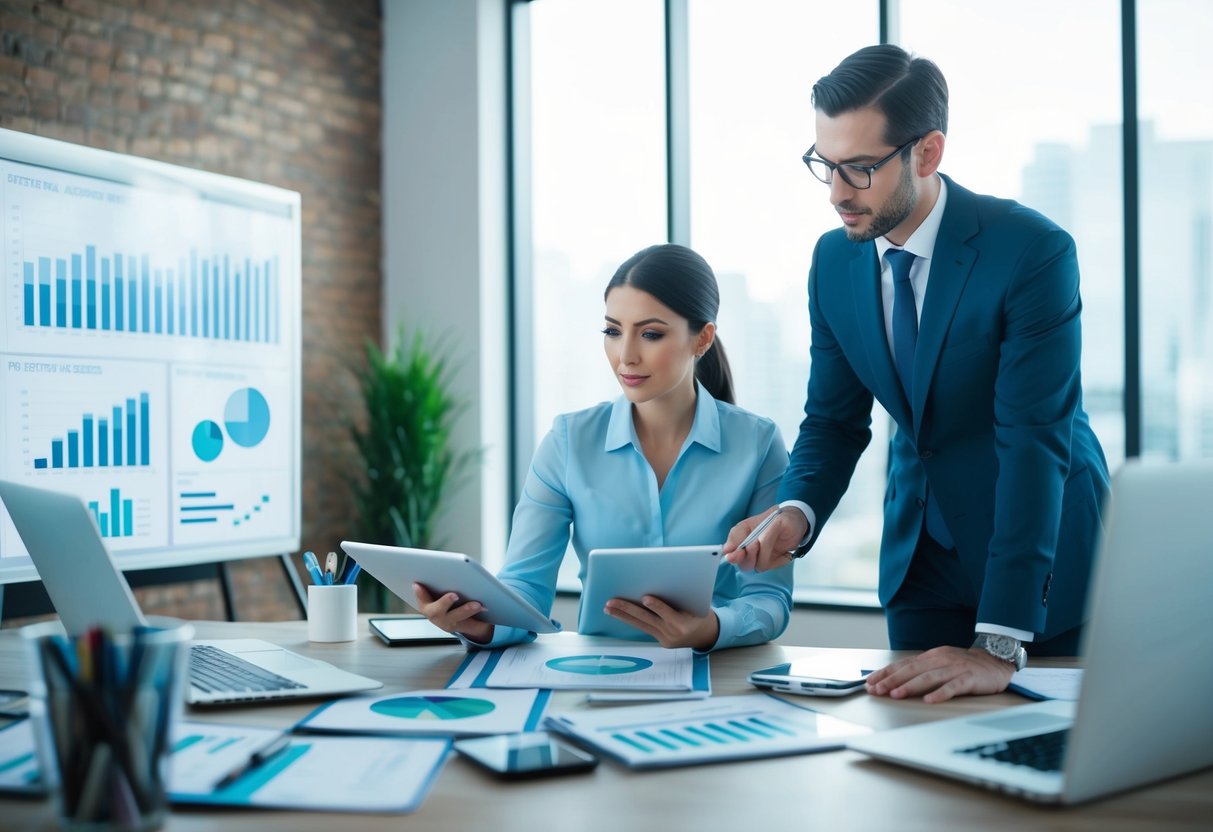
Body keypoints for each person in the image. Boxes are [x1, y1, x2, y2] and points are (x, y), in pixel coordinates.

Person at [724, 45, 1109, 701]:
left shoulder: (1031, 252)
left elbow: (1031, 441)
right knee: (911, 752)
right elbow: (832, 419)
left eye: (860, 168)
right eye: (825, 164)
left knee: (1039, 759)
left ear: (926, 153)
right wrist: (795, 509)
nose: (837, 193)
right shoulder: (834, 261)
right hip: (919, 560)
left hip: (1035, 562)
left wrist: (1000, 643)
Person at [416, 243, 793, 651]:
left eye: (650, 334)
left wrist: (713, 628)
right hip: (596, 677)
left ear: (702, 339)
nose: (625, 355)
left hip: (717, 676)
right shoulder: (567, 442)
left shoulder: (758, 443)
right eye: (613, 331)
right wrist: (480, 624)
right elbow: (524, 585)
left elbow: (769, 599)